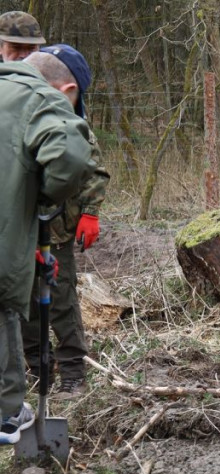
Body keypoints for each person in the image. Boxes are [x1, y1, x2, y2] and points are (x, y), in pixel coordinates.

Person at [0, 39, 94, 474]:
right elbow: (72, 156)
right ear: (68, 91)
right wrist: (36, 204)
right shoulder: (39, 101)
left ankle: (65, 369)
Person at [21, 46, 109, 397]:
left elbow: (95, 172)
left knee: (61, 301)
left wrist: (90, 212)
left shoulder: (77, 129)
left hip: (57, 232)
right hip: (21, 234)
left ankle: (73, 371)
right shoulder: (20, 121)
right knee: (24, 304)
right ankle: (36, 370)